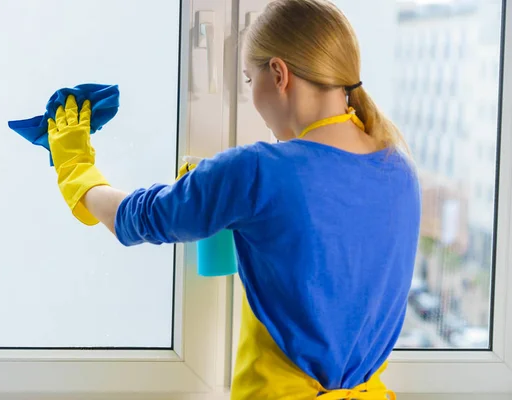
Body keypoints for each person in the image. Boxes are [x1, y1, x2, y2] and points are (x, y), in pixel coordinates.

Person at [45, 0, 421, 398]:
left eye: (247, 80)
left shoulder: (259, 170)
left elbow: (140, 218)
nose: (252, 98)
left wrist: (75, 167)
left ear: (279, 74)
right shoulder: (400, 170)